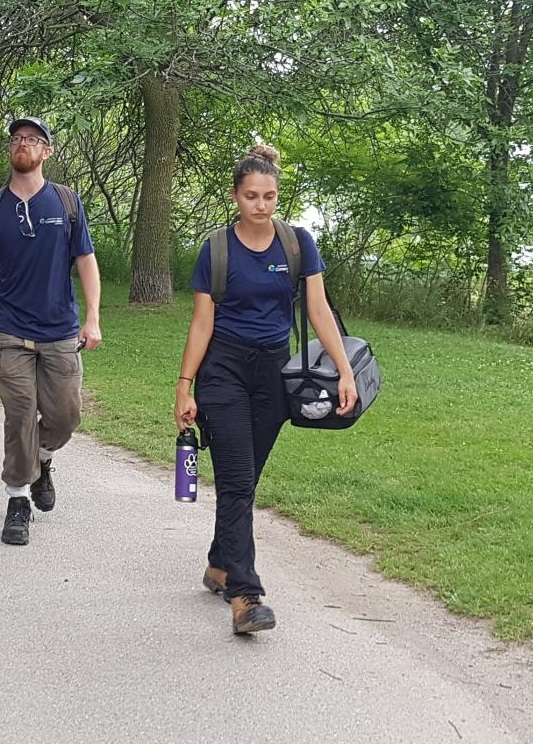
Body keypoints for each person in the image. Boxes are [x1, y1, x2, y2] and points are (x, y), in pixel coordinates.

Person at [173, 144, 358, 635]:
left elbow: (319, 312)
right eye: (251, 196)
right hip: (224, 372)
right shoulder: (216, 249)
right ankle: (245, 595)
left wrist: (345, 370)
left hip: (275, 374)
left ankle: (219, 563)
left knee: (245, 480)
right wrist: (185, 385)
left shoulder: (297, 244)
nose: (261, 205)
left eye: (270, 196)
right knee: (236, 479)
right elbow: (201, 323)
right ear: (235, 196)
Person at [0, 116, 102, 547]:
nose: (23, 145)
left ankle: (42, 459)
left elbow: (86, 262)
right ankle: (18, 499)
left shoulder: (67, 202)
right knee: (20, 417)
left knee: (66, 417)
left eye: (33, 140)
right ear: (10, 150)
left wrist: (93, 317)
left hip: (60, 330)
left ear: (47, 152)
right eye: (17, 139)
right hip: (9, 332)